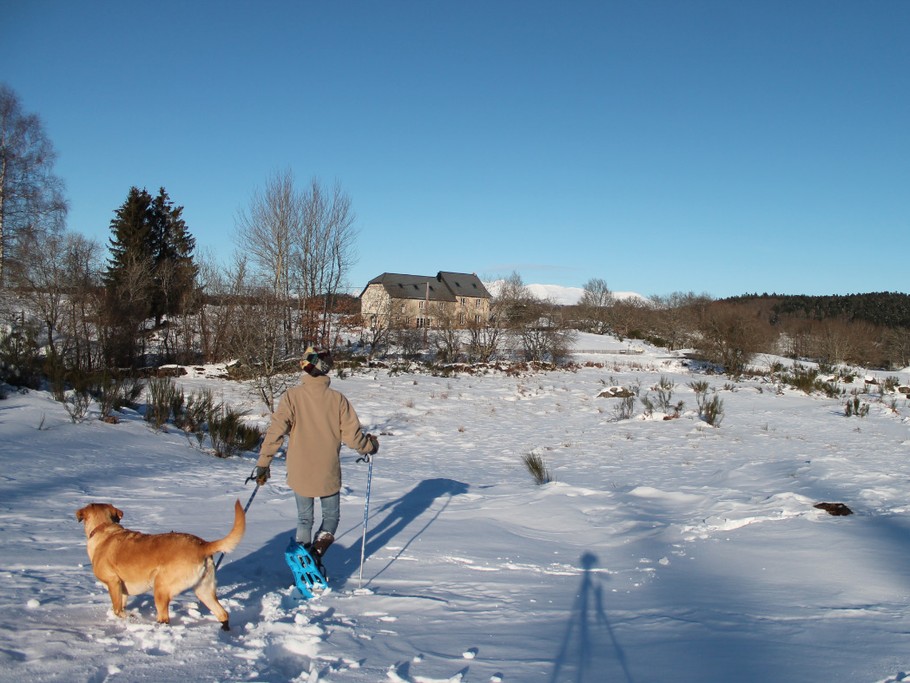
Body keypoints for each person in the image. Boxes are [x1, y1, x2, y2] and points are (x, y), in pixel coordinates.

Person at [253, 346, 378, 574]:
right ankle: (315, 553)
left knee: (304, 519)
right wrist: (370, 446)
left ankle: (303, 562)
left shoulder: (292, 397)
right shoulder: (338, 400)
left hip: (299, 469)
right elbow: (352, 437)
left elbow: (276, 431)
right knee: (331, 517)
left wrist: (264, 463)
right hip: (327, 469)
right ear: (326, 369)